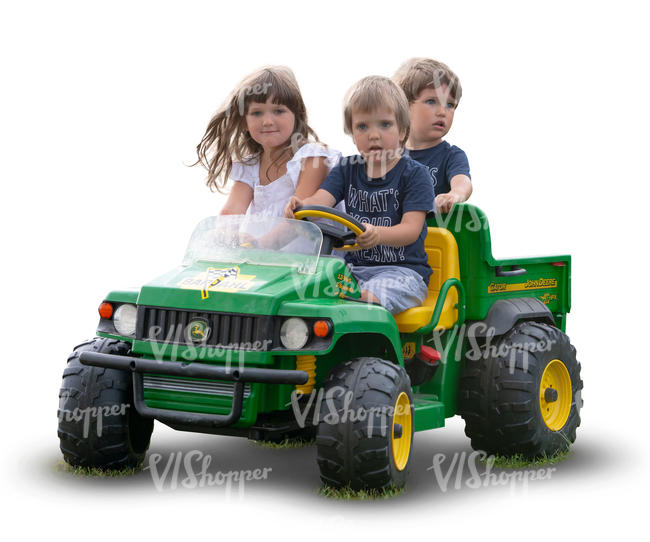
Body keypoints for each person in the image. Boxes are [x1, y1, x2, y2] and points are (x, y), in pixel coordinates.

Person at [285, 76, 434, 315]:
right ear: (352, 134)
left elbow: (410, 230)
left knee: (363, 300)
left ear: (403, 130)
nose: (373, 135)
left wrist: (378, 235)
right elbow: (321, 201)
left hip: (401, 273)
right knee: (300, 291)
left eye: (384, 125)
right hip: (351, 270)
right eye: (363, 126)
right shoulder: (347, 168)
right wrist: (301, 204)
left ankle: (367, 348)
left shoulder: (415, 175)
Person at [194, 66, 340, 217]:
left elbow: (300, 216)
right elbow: (231, 211)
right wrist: (223, 231)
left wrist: (262, 241)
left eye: (278, 111)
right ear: (244, 122)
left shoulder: (313, 157)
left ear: (297, 115)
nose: (267, 122)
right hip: (266, 240)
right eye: (257, 113)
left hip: (312, 238)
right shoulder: (249, 167)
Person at [393, 58, 472, 213]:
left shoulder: (451, 155)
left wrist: (454, 194)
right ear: (404, 107)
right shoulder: (389, 157)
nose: (442, 112)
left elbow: (462, 181)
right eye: (431, 101)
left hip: (435, 234)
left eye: (450, 105)